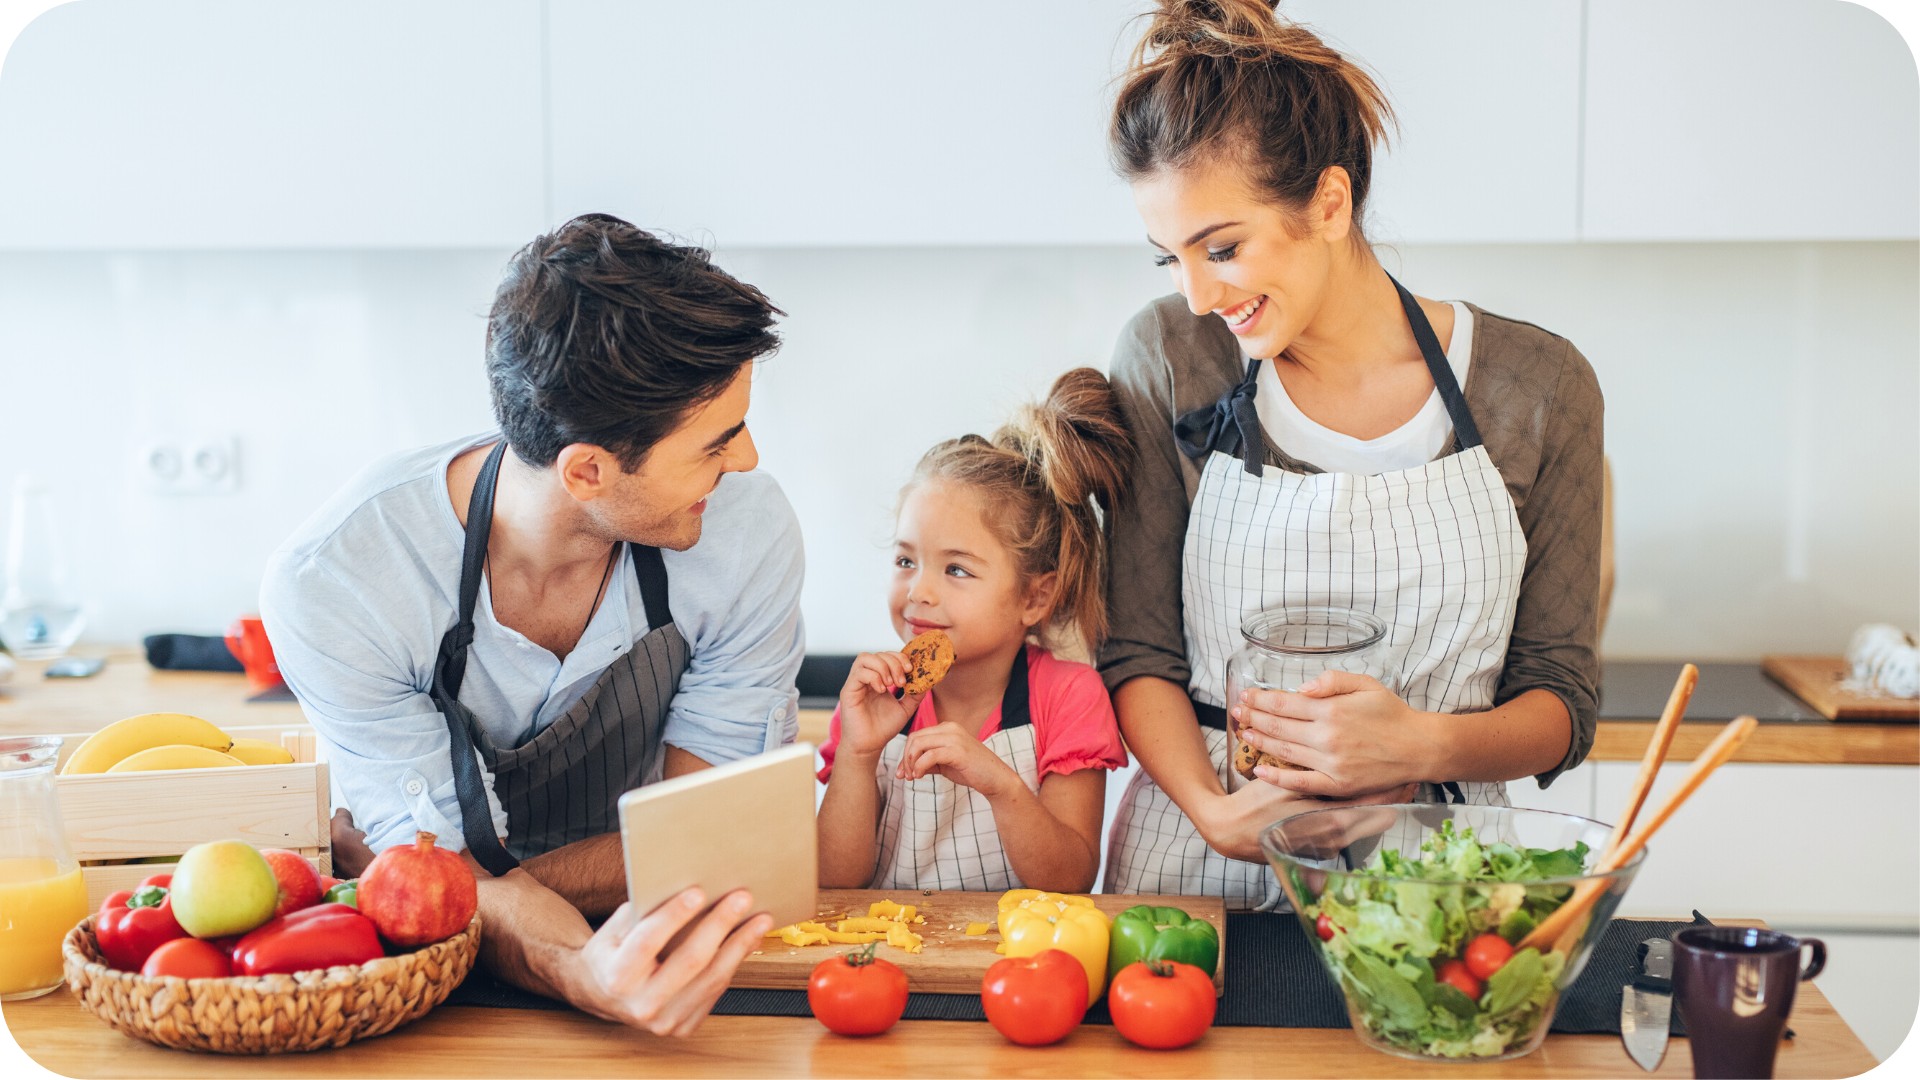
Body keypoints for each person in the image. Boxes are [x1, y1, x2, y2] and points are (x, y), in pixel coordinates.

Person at [1098, 0, 1605, 909]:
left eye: (1222, 247)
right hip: (1198, 877)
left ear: (1329, 203)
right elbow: (1138, 650)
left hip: (1442, 886)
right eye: (1168, 258)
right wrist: (1215, 814)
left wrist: (1421, 746)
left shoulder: (1538, 386)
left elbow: (1560, 697)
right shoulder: (1172, 357)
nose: (1199, 293)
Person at [259, 214, 806, 1032]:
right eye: (713, 444)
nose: (749, 460)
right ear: (587, 470)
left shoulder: (744, 529)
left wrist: (476, 881)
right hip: (436, 979)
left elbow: (713, 838)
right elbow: (448, 887)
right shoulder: (341, 585)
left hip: (668, 936)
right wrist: (577, 969)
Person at [815, 369, 1135, 893]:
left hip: (1015, 963)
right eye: (905, 560)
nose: (920, 591)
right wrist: (857, 752)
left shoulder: (1068, 695)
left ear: (1034, 597)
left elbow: (1070, 882)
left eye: (956, 569)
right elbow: (833, 882)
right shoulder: (873, 698)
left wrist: (1000, 784)